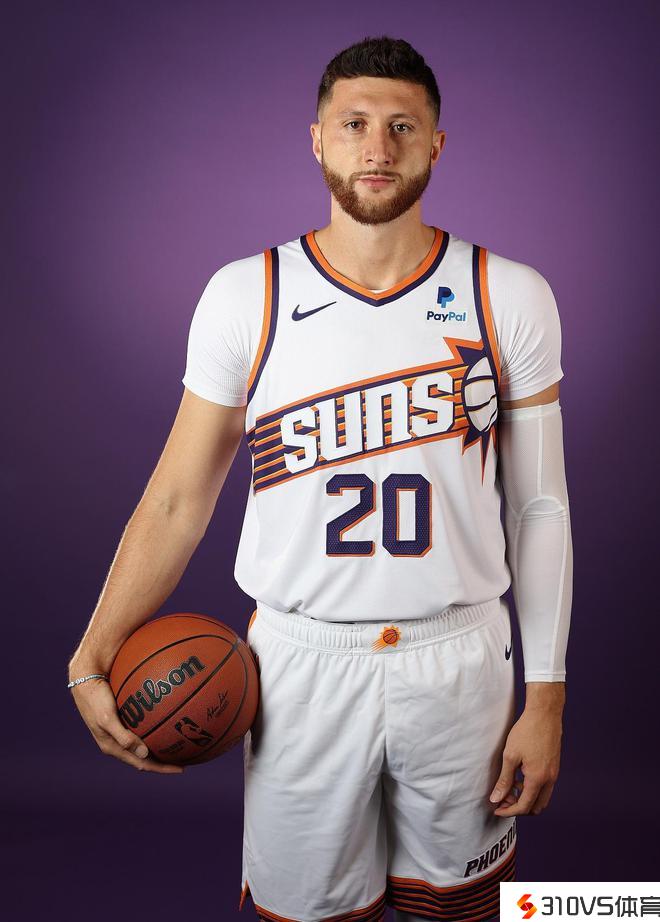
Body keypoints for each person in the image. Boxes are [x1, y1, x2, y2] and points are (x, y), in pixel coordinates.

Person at [68, 35, 572, 922]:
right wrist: (92, 655)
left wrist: (549, 696)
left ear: (436, 144)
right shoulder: (246, 294)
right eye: (354, 124)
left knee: (461, 910)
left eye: (402, 127)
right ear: (316, 140)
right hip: (299, 663)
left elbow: (538, 508)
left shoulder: (508, 294)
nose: (377, 148)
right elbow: (179, 499)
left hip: (459, 657)